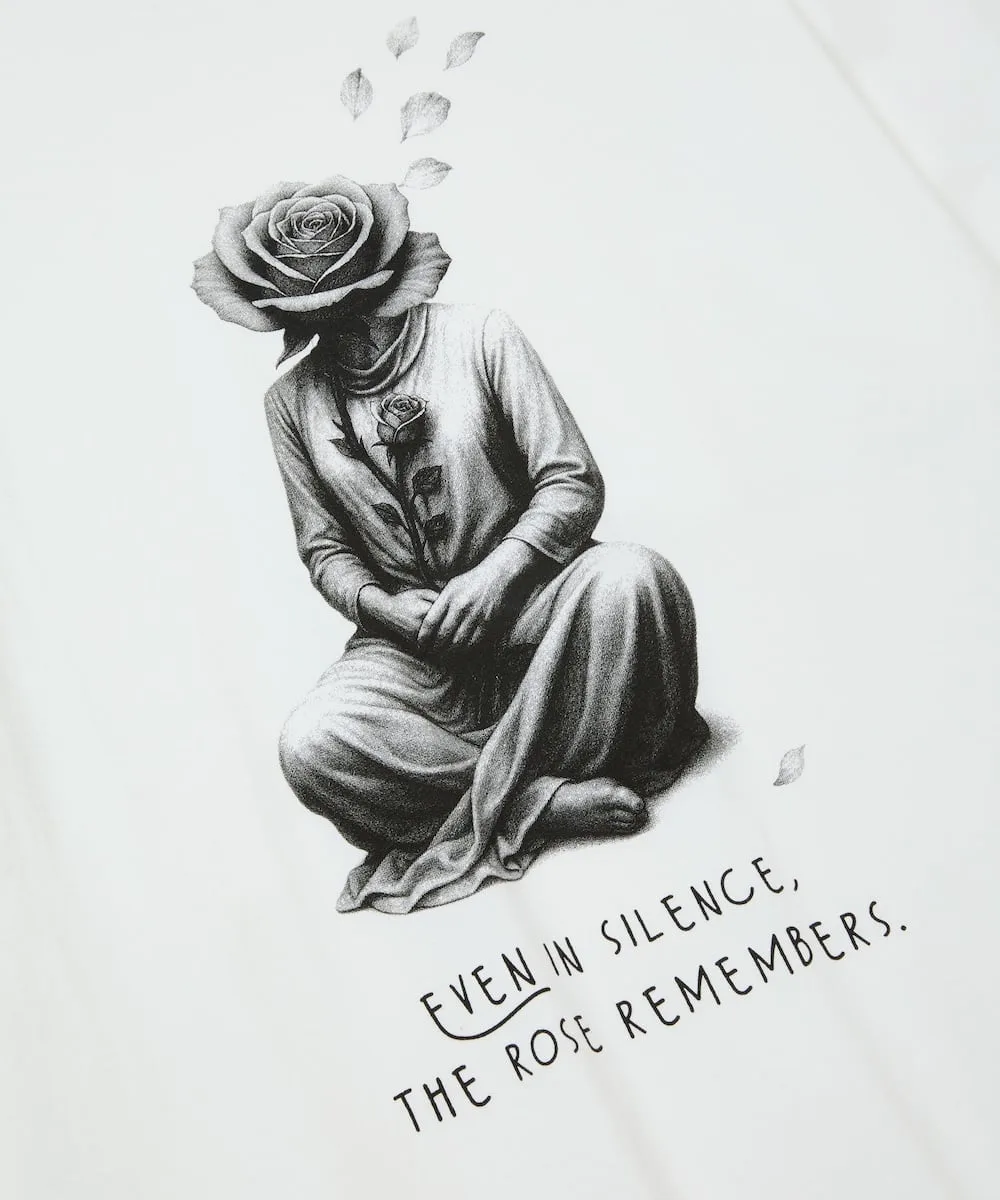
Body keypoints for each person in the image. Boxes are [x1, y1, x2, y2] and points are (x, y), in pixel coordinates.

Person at [265, 301, 708, 913]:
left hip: (536, 600)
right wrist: (382, 608)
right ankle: (535, 803)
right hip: (413, 647)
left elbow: (572, 482)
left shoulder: (481, 337)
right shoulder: (289, 402)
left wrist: (498, 576)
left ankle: (492, 788)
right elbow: (324, 550)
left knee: (636, 579)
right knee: (311, 744)